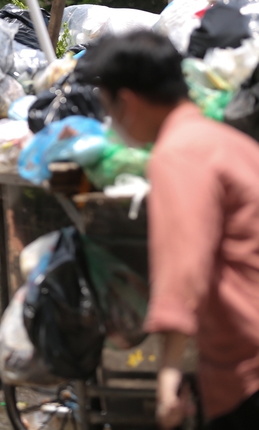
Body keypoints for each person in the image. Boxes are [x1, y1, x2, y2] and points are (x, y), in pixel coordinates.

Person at [77, 31, 259, 430]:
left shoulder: (178, 155)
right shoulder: (230, 142)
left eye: (108, 107)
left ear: (126, 102)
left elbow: (182, 268)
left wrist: (168, 376)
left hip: (248, 371)